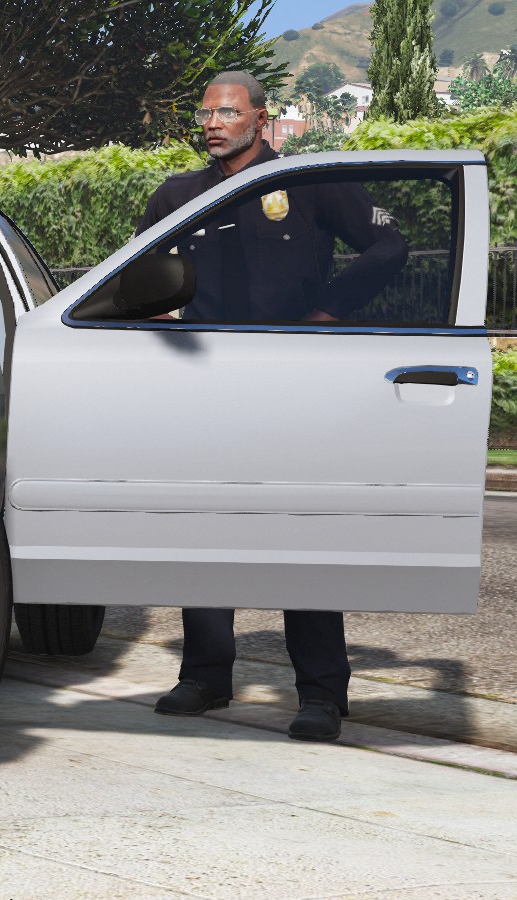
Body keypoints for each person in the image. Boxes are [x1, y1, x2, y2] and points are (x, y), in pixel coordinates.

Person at [135, 71, 407, 742]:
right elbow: (136, 273)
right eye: (206, 112)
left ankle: (319, 693)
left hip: (296, 387)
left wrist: (328, 313)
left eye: (228, 112)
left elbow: (389, 244)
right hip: (205, 390)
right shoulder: (179, 194)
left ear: (262, 118)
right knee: (204, 532)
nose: (213, 122)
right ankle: (204, 676)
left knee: (302, 534)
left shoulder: (312, 183)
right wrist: (162, 320)